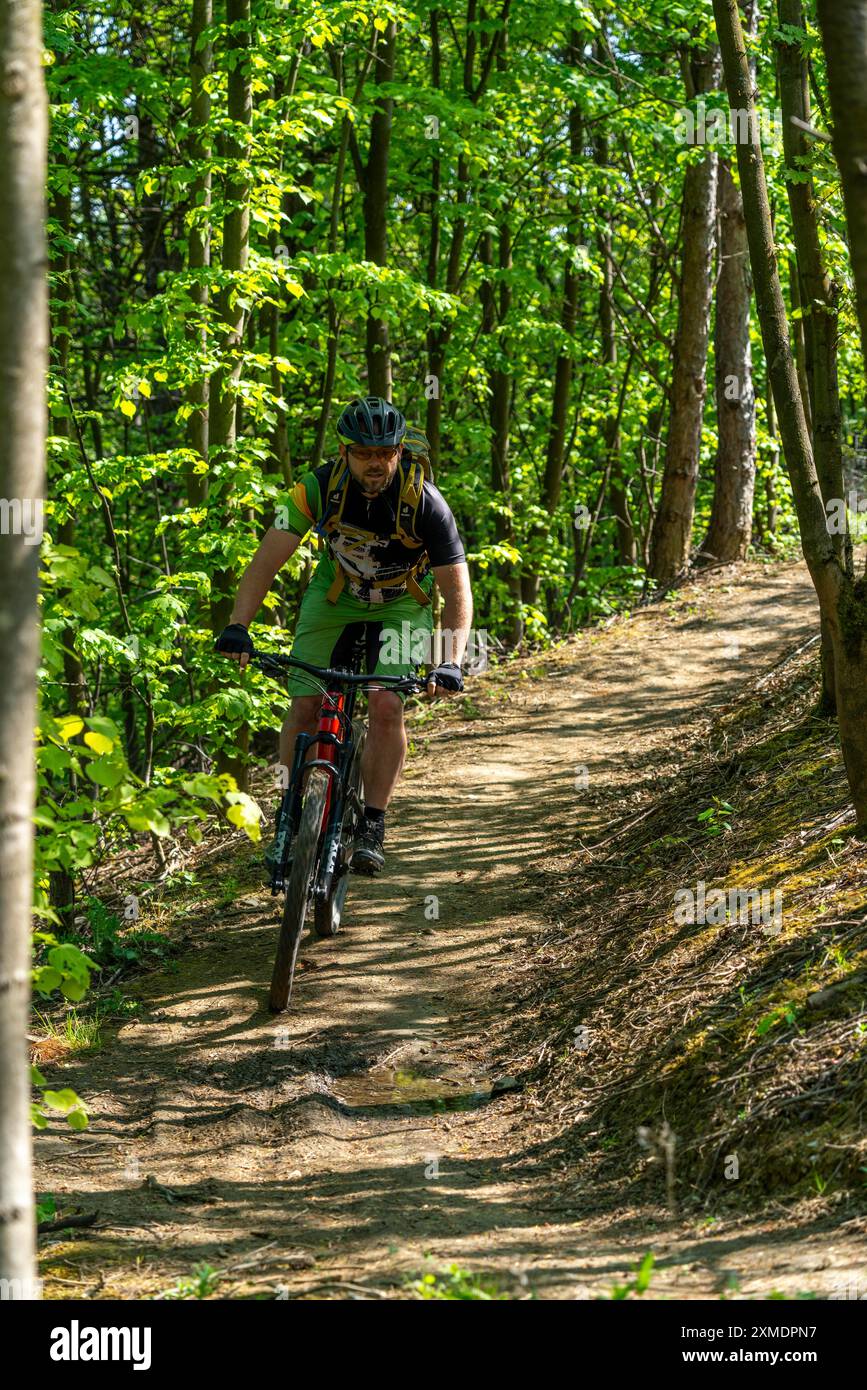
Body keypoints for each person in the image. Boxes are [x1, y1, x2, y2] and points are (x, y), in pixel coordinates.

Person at [216, 395, 474, 874]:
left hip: (401, 604)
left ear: (399, 452)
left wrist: (449, 659)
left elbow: (457, 592)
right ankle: (290, 819)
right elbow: (265, 560)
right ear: (344, 451)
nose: (375, 463)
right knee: (305, 703)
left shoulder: (428, 504)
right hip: (333, 598)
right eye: (363, 452)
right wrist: (238, 625)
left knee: (385, 701)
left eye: (385, 452)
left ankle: (373, 823)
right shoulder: (315, 489)